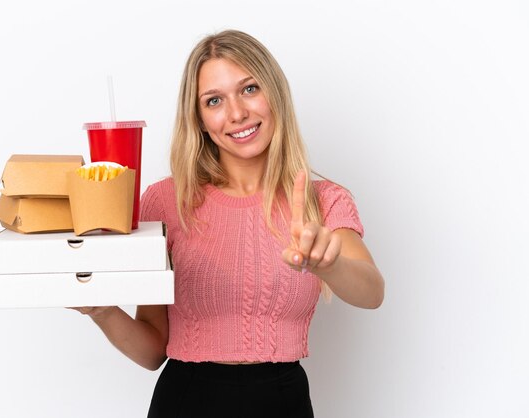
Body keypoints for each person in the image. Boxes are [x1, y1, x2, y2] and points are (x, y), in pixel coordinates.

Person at [72, 29, 385, 418]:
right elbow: (153, 349)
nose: (236, 113)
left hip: (283, 402)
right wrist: (102, 310)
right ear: (200, 119)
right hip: (185, 400)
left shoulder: (323, 200)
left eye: (250, 88)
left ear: (276, 95)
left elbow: (372, 292)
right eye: (214, 100)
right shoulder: (166, 201)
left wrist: (329, 264)